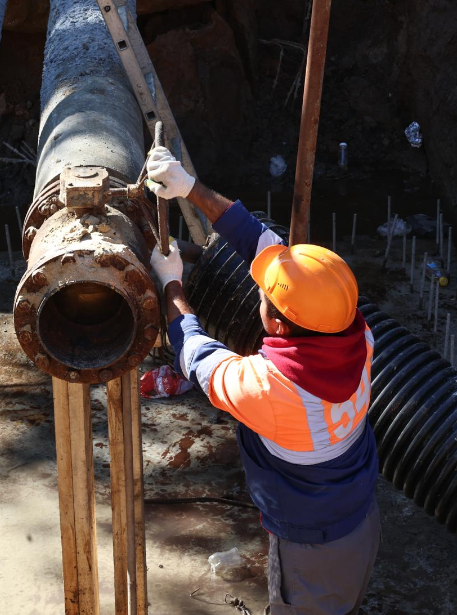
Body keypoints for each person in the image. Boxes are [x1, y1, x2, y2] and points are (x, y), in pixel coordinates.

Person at [145, 146, 380, 615]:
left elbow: (195, 354)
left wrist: (171, 281)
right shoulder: (355, 333)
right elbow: (262, 243)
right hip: (359, 516)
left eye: (265, 295)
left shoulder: (273, 389)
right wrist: (189, 187)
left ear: (275, 323)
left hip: (313, 546)